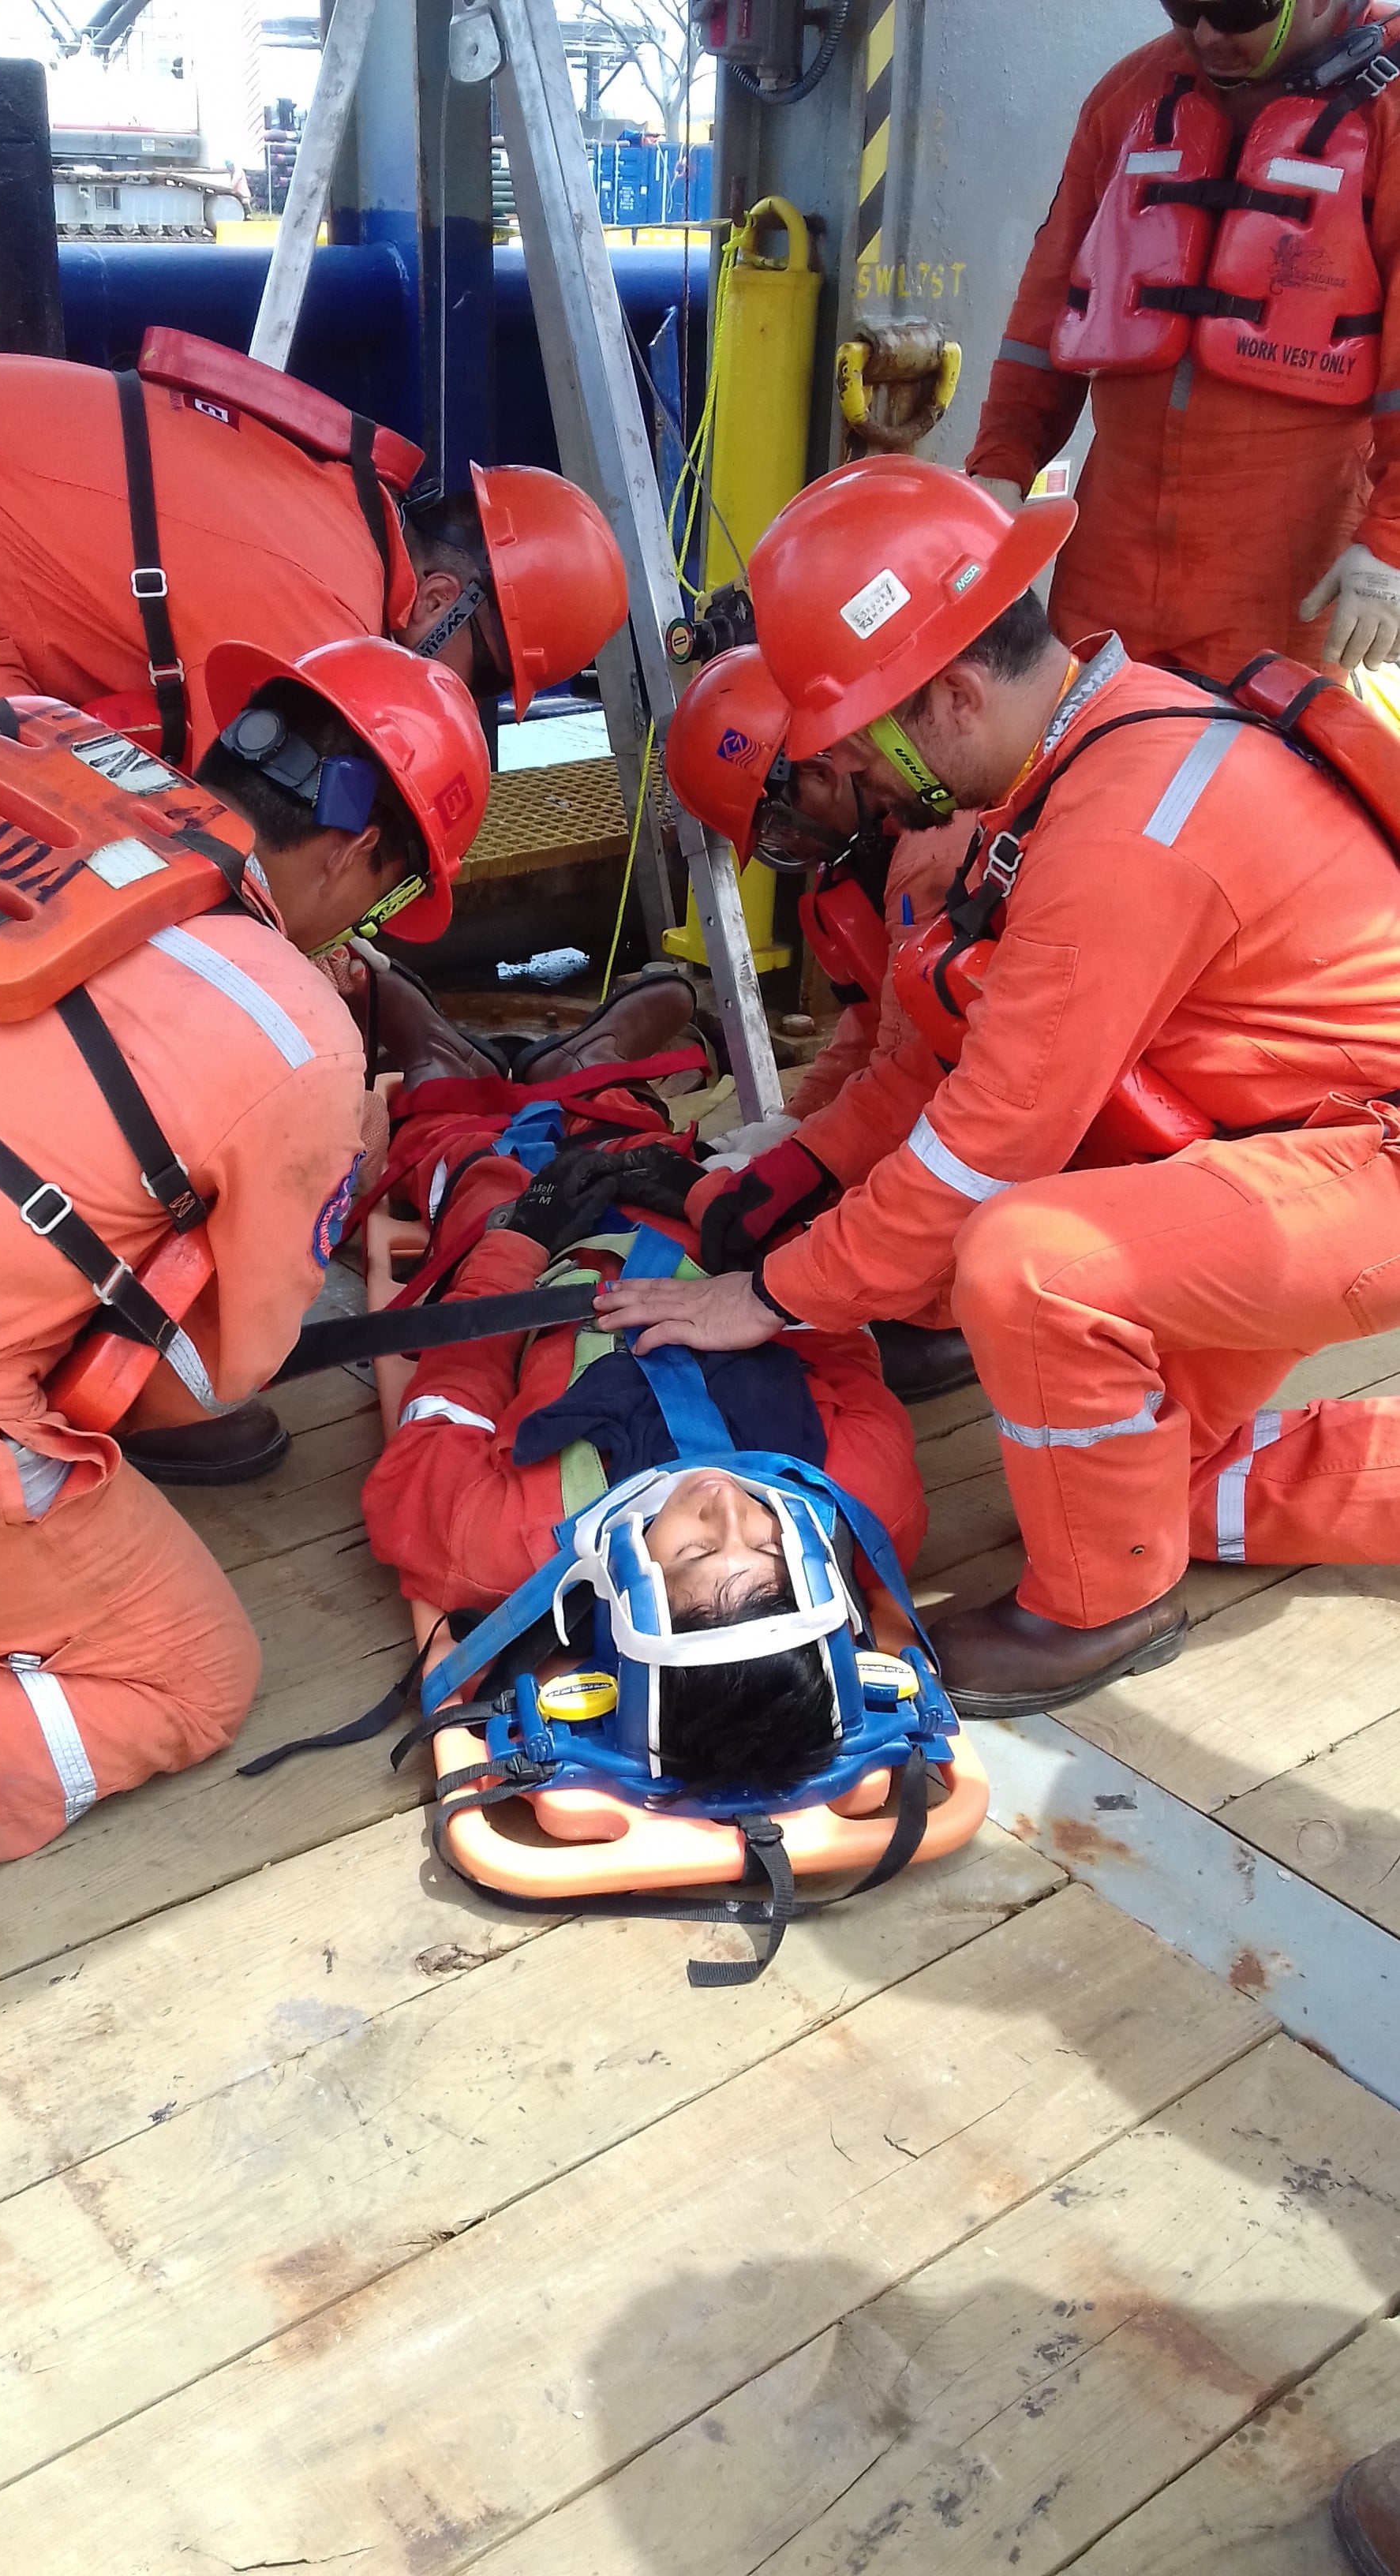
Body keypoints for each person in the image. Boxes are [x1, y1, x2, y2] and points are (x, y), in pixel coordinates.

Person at [598, 459, 1400, 1717]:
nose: (859, 792)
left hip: (1361, 1166)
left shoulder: (1120, 830)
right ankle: (1152, 1550)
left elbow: (988, 1144)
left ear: (954, 697)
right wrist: (803, 1178)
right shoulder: (1085, 762)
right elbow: (944, 1054)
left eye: (861, 756)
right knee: (1150, 1492)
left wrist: (771, 1293)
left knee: (1030, 1261)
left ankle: (1100, 1611)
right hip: (1283, 1148)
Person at [0, 639, 489, 1870]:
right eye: (388, 898)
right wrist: (331, 1151)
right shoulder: (289, 1032)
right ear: (358, 856)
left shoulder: (18, 734)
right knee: (189, 1677)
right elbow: (204, 1382)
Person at [359, 1108, 927, 1799]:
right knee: (637, 1123)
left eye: (695, 1552)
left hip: (534, 1262)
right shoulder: (868, 1495)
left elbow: (456, 1378)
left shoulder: (490, 1542)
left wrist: (520, 1239)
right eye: (769, 1546)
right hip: (717, 1247)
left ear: (628, 1595)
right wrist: (705, 1200)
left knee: (473, 1154)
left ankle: (459, 1094)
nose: (727, 1505)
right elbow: (834, 1328)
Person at [967, 0, 1400, 681]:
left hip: (1284, 567)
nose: (1203, 35)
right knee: (1084, 764)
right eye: (1183, 7)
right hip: (1111, 548)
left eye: (1232, 11)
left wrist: (1390, 548)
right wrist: (1001, 460)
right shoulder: (1127, 97)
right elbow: (1047, 305)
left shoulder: (1390, 111)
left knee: (1256, 778)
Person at [0, 339, 627, 763]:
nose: (454, 695)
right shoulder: (321, 610)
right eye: (478, 676)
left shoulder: (332, 504)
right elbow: (239, 824)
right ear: (440, 598)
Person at [662, 642, 975, 1402]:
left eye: (779, 827)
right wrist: (791, 1130)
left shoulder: (938, 861)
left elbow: (937, 1073)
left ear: (825, 768)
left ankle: (952, 1315)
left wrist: (807, 1162)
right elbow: (872, 1034)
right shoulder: (861, 873)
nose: (790, 850)